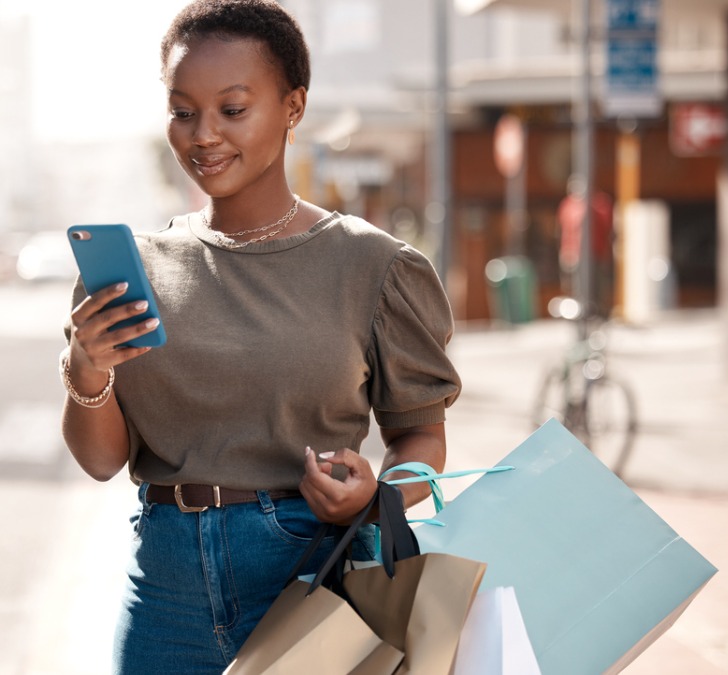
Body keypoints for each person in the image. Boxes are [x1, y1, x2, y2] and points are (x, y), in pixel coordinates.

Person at [59, 2, 461, 672]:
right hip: (166, 595)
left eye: (232, 109)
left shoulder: (376, 266)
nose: (203, 134)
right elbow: (103, 460)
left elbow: (422, 440)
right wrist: (87, 373)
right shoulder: (136, 272)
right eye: (183, 110)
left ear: (293, 106)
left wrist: (376, 495)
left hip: (312, 577)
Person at [557, 175, 615, 319]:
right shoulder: (567, 205)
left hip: (597, 253)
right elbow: (564, 229)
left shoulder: (600, 203)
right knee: (576, 286)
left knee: (598, 286)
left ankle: (599, 313)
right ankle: (579, 313)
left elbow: (607, 227)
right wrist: (565, 252)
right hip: (573, 254)